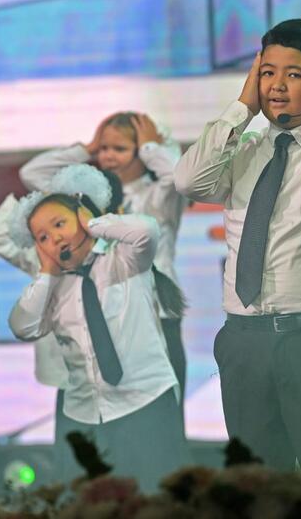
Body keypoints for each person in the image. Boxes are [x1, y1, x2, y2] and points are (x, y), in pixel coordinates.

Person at [174, 18, 301, 476]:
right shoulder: (242, 149)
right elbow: (188, 182)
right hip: (245, 341)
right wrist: (241, 108)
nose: (277, 86)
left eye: (294, 74)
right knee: (258, 486)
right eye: (267, 73)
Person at [7, 164, 190, 491]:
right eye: (42, 237)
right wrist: (47, 273)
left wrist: (92, 222)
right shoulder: (51, 288)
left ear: (81, 217)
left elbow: (147, 230)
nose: (55, 237)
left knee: (156, 500)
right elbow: (23, 326)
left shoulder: (123, 259)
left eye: (60, 224)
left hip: (145, 405)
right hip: (84, 414)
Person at [18, 113, 188, 411]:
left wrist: (151, 148)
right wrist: (86, 149)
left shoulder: (157, 196)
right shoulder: (87, 197)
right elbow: (31, 173)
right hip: (106, 312)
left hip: (155, 311)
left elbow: (179, 177)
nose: (108, 156)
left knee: (163, 407)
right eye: (104, 148)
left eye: (119, 148)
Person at [0, 168, 126, 474]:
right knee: (74, 461)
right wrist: (43, 202)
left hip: (126, 382)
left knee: (123, 460)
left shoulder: (125, 254)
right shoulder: (47, 255)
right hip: (73, 381)